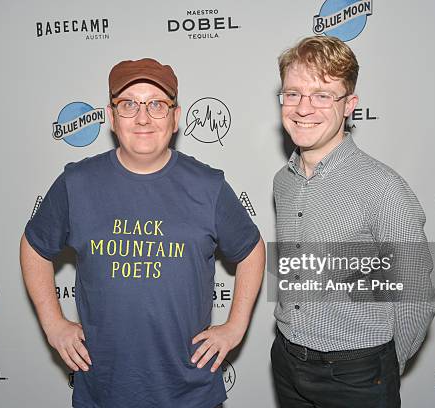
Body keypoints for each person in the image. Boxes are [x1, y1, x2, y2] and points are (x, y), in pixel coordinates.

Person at [20, 57, 265, 408]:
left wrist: (236, 325)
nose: (143, 117)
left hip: (189, 391)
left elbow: (252, 250)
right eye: (129, 104)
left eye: (157, 104)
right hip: (104, 390)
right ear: (110, 116)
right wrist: (53, 323)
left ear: (176, 118)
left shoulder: (208, 187)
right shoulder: (76, 185)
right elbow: (34, 247)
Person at [271, 36, 435, 407]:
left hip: (357, 374)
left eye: (322, 95)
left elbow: (415, 294)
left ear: (349, 105)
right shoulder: (283, 181)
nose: (303, 108)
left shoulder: (382, 186)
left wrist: (384, 366)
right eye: (293, 93)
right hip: (286, 362)